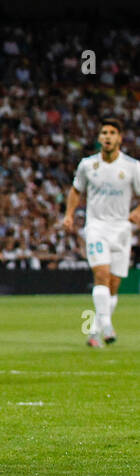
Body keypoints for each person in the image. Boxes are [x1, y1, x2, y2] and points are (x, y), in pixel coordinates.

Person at [62, 118, 140, 347]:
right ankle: (107, 326)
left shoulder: (132, 167)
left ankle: (95, 331)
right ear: (99, 138)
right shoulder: (87, 165)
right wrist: (69, 214)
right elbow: (76, 191)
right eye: (104, 132)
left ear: (119, 138)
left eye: (112, 132)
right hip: (96, 226)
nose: (107, 136)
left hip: (122, 229)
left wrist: (137, 212)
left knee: (114, 284)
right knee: (101, 275)